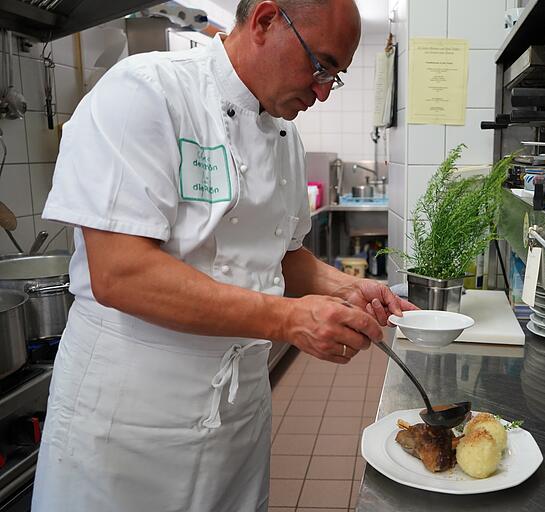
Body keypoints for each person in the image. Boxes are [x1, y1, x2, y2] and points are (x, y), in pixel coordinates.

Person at [31, 1, 416, 510]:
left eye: (335, 77)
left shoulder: (285, 136)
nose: (323, 90)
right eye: (319, 65)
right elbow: (119, 273)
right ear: (263, 21)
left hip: (236, 410)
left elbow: (281, 255)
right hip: (131, 419)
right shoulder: (145, 92)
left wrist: (348, 288)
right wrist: (288, 318)